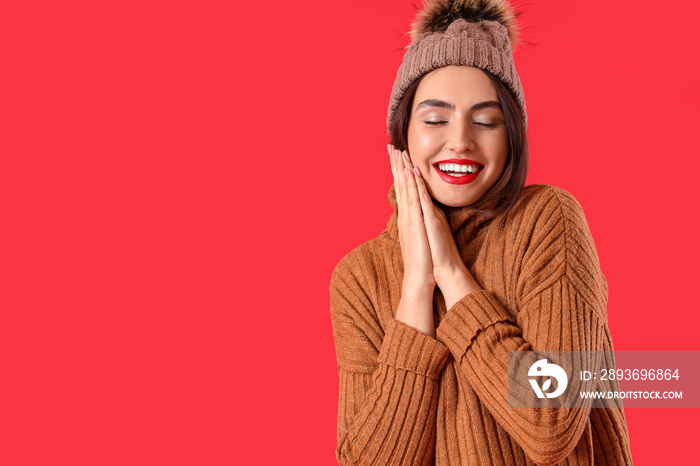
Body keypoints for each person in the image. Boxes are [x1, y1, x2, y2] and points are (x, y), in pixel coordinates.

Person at [329, 0, 633, 464]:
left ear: (511, 135)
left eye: (486, 121)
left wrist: (452, 273)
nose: (461, 141)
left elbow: (552, 421)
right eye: (435, 120)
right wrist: (416, 286)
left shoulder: (547, 221)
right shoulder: (359, 277)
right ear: (401, 135)